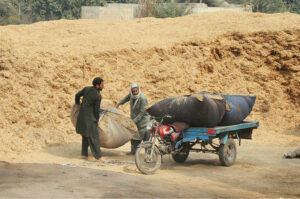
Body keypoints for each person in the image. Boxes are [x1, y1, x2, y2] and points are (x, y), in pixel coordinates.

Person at [75, 77, 104, 161]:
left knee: (85, 135)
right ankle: (98, 156)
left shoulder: (86, 89)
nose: (103, 86)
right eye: (102, 85)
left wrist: (77, 103)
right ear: (97, 85)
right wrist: (97, 119)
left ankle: (84, 155)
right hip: (90, 119)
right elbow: (96, 109)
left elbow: (77, 95)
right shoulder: (98, 95)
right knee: (94, 137)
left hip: (81, 117)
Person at [116, 83, 150, 155]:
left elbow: (142, 113)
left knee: (145, 137)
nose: (135, 93)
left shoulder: (142, 98)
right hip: (135, 119)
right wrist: (119, 103)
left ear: (138, 90)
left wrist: (133, 121)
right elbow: (126, 98)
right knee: (134, 136)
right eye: (133, 91)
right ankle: (133, 152)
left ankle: (148, 154)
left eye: (136, 91)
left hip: (143, 121)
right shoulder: (131, 95)